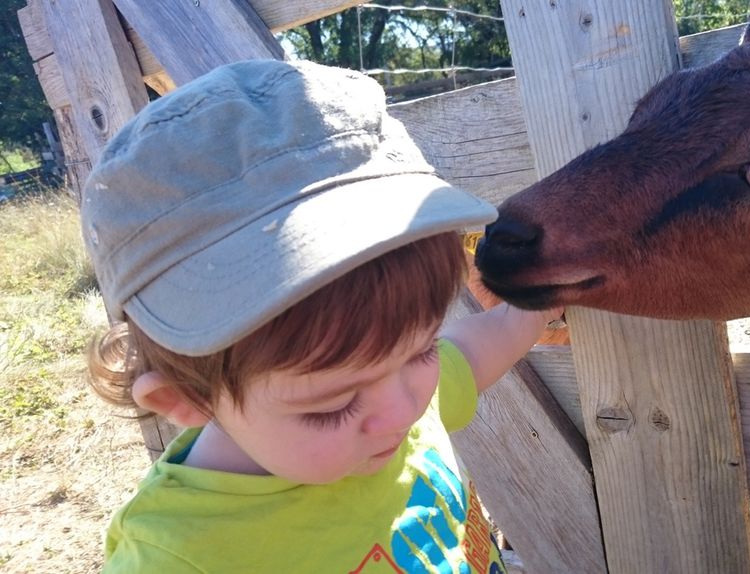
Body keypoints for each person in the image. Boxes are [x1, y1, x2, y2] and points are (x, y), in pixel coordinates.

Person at [82, 59, 561, 573]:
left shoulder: (377, 392)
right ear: (186, 398)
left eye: (421, 350)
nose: (406, 411)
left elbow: (469, 353)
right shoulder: (179, 557)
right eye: (334, 407)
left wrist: (530, 314)